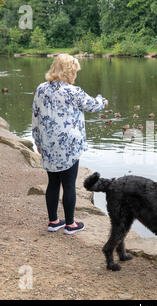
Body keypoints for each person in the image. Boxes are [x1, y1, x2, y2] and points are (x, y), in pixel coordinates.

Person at [32, 54, 108, 234]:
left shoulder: (41, 89)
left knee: (52, 182)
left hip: (49, 143)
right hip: (69, 145)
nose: (75, 75)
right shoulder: (73, 91)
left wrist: (37, 141)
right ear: (69, 72)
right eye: (74, 71)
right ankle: (70, 224)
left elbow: (35, 116)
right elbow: (93, 106)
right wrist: (102, 101)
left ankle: (53, 222)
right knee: (68, 184)